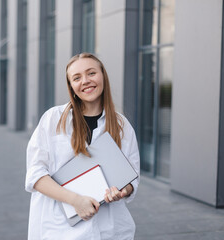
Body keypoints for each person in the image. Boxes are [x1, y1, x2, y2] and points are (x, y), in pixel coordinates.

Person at [25, 53, 140, 240]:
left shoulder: (122, 126)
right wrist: (75, 201)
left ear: (103, 75)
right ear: (71, 86)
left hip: (110, 231)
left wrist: (122, 191)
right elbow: (35, 175)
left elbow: (132, 177)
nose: (85, 81)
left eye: (91, 73)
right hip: (59, 231)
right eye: (77, 78)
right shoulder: (53, 119)